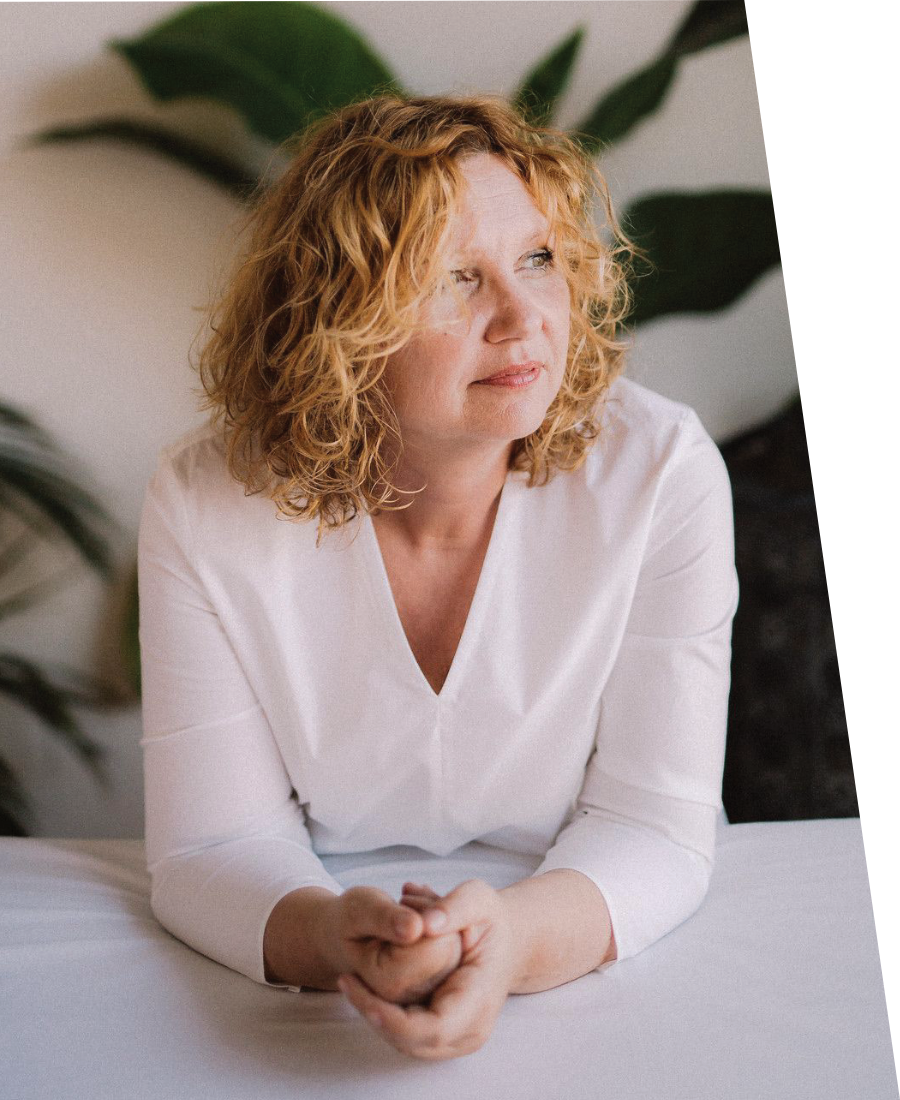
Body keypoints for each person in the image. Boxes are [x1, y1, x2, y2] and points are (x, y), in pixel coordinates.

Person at [138, 94, 738, 1061]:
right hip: (324, 917)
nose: (523, 317)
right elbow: (210, 849)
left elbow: (656, 829)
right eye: (454, 278)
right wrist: (334, 939)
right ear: (337, 321)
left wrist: (507, 946)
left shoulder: (661, 474)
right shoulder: (207, 502)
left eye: (537, 259)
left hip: (584, 932)